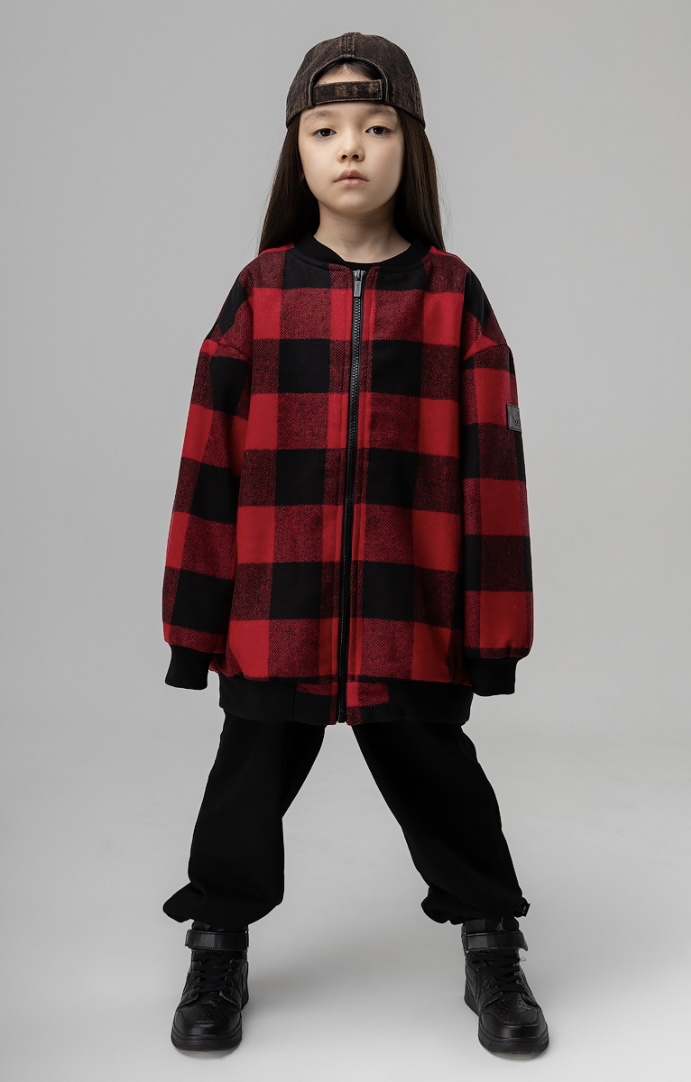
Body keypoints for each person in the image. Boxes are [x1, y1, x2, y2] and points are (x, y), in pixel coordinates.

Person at [160, 32, 549, 1058]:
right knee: (243, 788)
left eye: (376, 128)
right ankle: (217, 943)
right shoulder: (260, 290)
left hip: (406, 609)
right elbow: (207, 463)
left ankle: (491, 943)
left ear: (407, 148)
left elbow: (493, 476)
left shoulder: (452, 295)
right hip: (272, 614)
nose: (349, 148)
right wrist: (194, 627)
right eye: (324, 128)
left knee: (442, 784)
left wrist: (491, 636)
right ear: (295, 151)